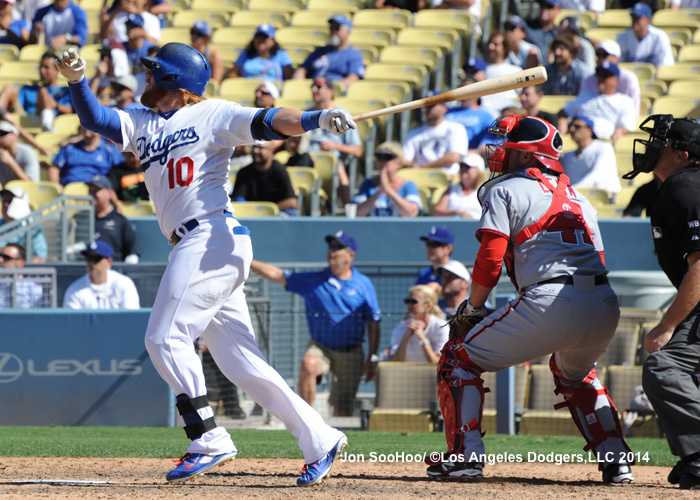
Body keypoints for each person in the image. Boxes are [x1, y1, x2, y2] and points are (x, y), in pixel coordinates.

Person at [55, 42, 354, 485]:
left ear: (175, 79)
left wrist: (314, 119)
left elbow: (267, 122)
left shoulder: (212, 113)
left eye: (154, 73)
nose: (146, 78)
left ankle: (207, 437)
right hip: (200, 246)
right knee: (241, 363)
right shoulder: (143, 122)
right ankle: (320, 438)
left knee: (163, 338)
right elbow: (95, 118)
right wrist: (77, 81)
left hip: (210, 236)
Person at [426, 114, 634, 484]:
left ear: (526, 156)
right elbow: (599, 260)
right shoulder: (581, 199)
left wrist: (473, 308)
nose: (500, 152)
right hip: (603, 302)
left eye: (508, 146)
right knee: (576, 374)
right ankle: (617, 462)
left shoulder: (505, 189)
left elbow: (490, 258)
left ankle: (464, 456)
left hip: (550, 298)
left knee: (457, 358)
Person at [616, 115, 700, 490]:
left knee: (664, 368)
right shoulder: (681, 186)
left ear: (681, 154)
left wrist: (667, 325)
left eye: (661, 143)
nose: (651, 147)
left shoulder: (685, 187)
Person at [249, 231, 381, 417]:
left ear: (350, 255)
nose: (331, 251)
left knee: (342, 410)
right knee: (309, 363)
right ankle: (308, 421)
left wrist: (372, 357)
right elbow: (279, 275)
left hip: (351, 351)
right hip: (321, 347)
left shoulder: (363, 284)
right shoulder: (315, 281)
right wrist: (247, 260)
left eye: (337, 247)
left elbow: (373, 323)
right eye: (330, 247)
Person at [306, 76, 362, 206]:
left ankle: (348, 208)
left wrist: (335, 146)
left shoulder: (342, 114)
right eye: (312, 86)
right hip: (307, 158)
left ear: (330, 91)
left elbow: (357, 150)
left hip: (331, 160)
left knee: (337, 165)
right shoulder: (306, 114)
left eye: (319, 86)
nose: (314, 89)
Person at [559, 62, 637, 143]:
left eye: (606, 75)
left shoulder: (624, 100)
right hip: (578, 139)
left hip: (603, 141)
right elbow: (563, 113)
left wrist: (620, 132)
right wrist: (562, 126)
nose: (601, 78)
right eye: (599, 75)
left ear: (616, 80)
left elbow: (627, 127)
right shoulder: (585, 95)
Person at [0, 51, 73, 132]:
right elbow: (18, 107)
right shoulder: (27, 88)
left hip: (51, 118)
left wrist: (56, 106)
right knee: (7, 90)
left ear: (57, 71)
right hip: (26, 117)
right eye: (41, 67)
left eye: (46, 67)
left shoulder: (64, 90)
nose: (42, 71)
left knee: (43, 91)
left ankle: (47, 126)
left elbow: (70, 110)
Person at [403, 92, 468, 177]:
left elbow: (454, 157)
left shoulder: (455, 128)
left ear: (444, 108)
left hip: (447, 177)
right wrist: (411, 165)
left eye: (432, 105)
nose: (428, 108)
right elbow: (405, 159)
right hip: (420, 177)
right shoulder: (413, 133)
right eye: (427, 105)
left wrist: (422, 167)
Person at [63, 239, 140, 309]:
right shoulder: (75, 289)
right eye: (89, 258)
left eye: (97, 258)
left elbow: (131, 318)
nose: (92, 263)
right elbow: (72, 322)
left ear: (109, 262)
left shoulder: (124, 284)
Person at [353, 141, 421, 217]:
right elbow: (356, 213)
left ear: (399, 163)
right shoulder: (368, 184)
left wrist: (388, 190)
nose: (383, 161)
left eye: (387, 158)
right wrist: (379, 192)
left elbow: (412, 213)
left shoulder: (408, 185)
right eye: (379, 157)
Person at [294, 15, 364, 87]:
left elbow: (353, 78)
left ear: (348, 32)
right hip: (314, 88)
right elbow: (302, 69)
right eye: (331, 28)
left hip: (334, 90)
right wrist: (300, 84)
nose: (333, 32)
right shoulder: (320, 51)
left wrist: (332, 88)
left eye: (337, 28)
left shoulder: (353, 54)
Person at [231, 141, 298, 216]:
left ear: (271, 152)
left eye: (260, 148)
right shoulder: (243, 172)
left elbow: (292, 202)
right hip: (250, 215)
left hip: (275, 215)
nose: (256, 151)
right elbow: (238, 200)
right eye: (254, 147)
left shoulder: (280, 170)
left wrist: (267, 210)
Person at [560, 115, 621, 195]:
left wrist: (572, 190)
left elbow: (597, 176)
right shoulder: (566, 157)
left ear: (590, 131)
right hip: (576, 197)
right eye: (570, 126)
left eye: (577, 127)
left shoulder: (604, 147)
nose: (572, 129)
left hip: (603, 197)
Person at [85, 174, 139, 262]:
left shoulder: (121, 221)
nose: (92, 194)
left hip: (114, 270)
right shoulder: (80, 218)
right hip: (84, 269)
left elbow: (132, 253)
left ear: (109, 193)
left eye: (96, 190)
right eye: (90, 191)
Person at [388, 285, 448, 363]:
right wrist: (405, 338)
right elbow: (395, 363)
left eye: (413, 302)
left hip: (432, 375)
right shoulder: (401, 328)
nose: (409, 306)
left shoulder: (442, 327)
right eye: (407, 301)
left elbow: (439, 364)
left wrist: (422, 338)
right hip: (408, 375)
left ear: (428, 306)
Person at [48, 124, 124, 185]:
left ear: (100, 128)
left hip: (97, 190)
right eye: (83, 122)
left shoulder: (110, 150)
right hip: (69, 189)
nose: (86, 125)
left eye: (90, 122)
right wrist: (57, 187)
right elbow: (54, 168)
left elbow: (122, 170)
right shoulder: (70, 148)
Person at [580, 40, 640, 116]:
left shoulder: (629, 79)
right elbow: (582, 108)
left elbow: (633, 112)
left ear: (616, 58)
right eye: (598, 55)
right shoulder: (588, 79)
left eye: (605, 55)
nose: (601, 59)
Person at [226, 23, 292, 83]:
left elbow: (289, 77)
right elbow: (232, 74)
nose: (260, 40)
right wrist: (247, 82)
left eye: (264, 37)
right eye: (258, 36)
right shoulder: (246, 53)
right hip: (248, 89)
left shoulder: (281, 54)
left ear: (272, 41)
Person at [444, 76, 496, 150]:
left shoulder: (486, 116)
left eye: (468, 91)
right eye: (461, 90)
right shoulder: (447, 112)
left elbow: (487, 146)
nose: (464, 94)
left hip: (470, 156)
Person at [617, 2, 674, 69]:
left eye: (637, 18)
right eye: (633, 17)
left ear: (648, 20)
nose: (634, 20)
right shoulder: (622, 37)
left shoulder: (659, 37)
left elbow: (666, 65)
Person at [0, 185, 48, 262]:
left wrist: (16, 264)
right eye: (4, 200)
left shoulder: (33, 227)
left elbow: (41, 258)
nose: (5, 204)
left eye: (10, 201)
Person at [480, 31, 523, 116]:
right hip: (486, 114)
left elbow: (521, 95)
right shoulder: (481, 70)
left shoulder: (516, 70)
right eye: (490, 43)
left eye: (495, 44)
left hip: (509, 115)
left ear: (505, 48)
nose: (490, 47)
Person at [432, 152, 485, 218]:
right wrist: (455, 213)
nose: (463, 169)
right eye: (461, 166)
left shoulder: (486, 192)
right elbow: (437, 212)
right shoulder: (451, 190)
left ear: (478, 170)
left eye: (467, 167)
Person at [0, 243, 46, 308]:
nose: (0, 260)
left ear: (21, 262)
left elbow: (40, 316)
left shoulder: (34, 289)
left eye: (6, 258)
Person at [0, 118, 40, 184]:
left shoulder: (28, 152)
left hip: (24, 193)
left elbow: (32, 185)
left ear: (15, 135)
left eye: (2, 133)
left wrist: (11, 162)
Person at [190, 20, 222, 84]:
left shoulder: (214, 56)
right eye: (192, 32)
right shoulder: (186, 53)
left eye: (198, 34)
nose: (194, 36)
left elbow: (215, 83)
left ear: (206, 38)